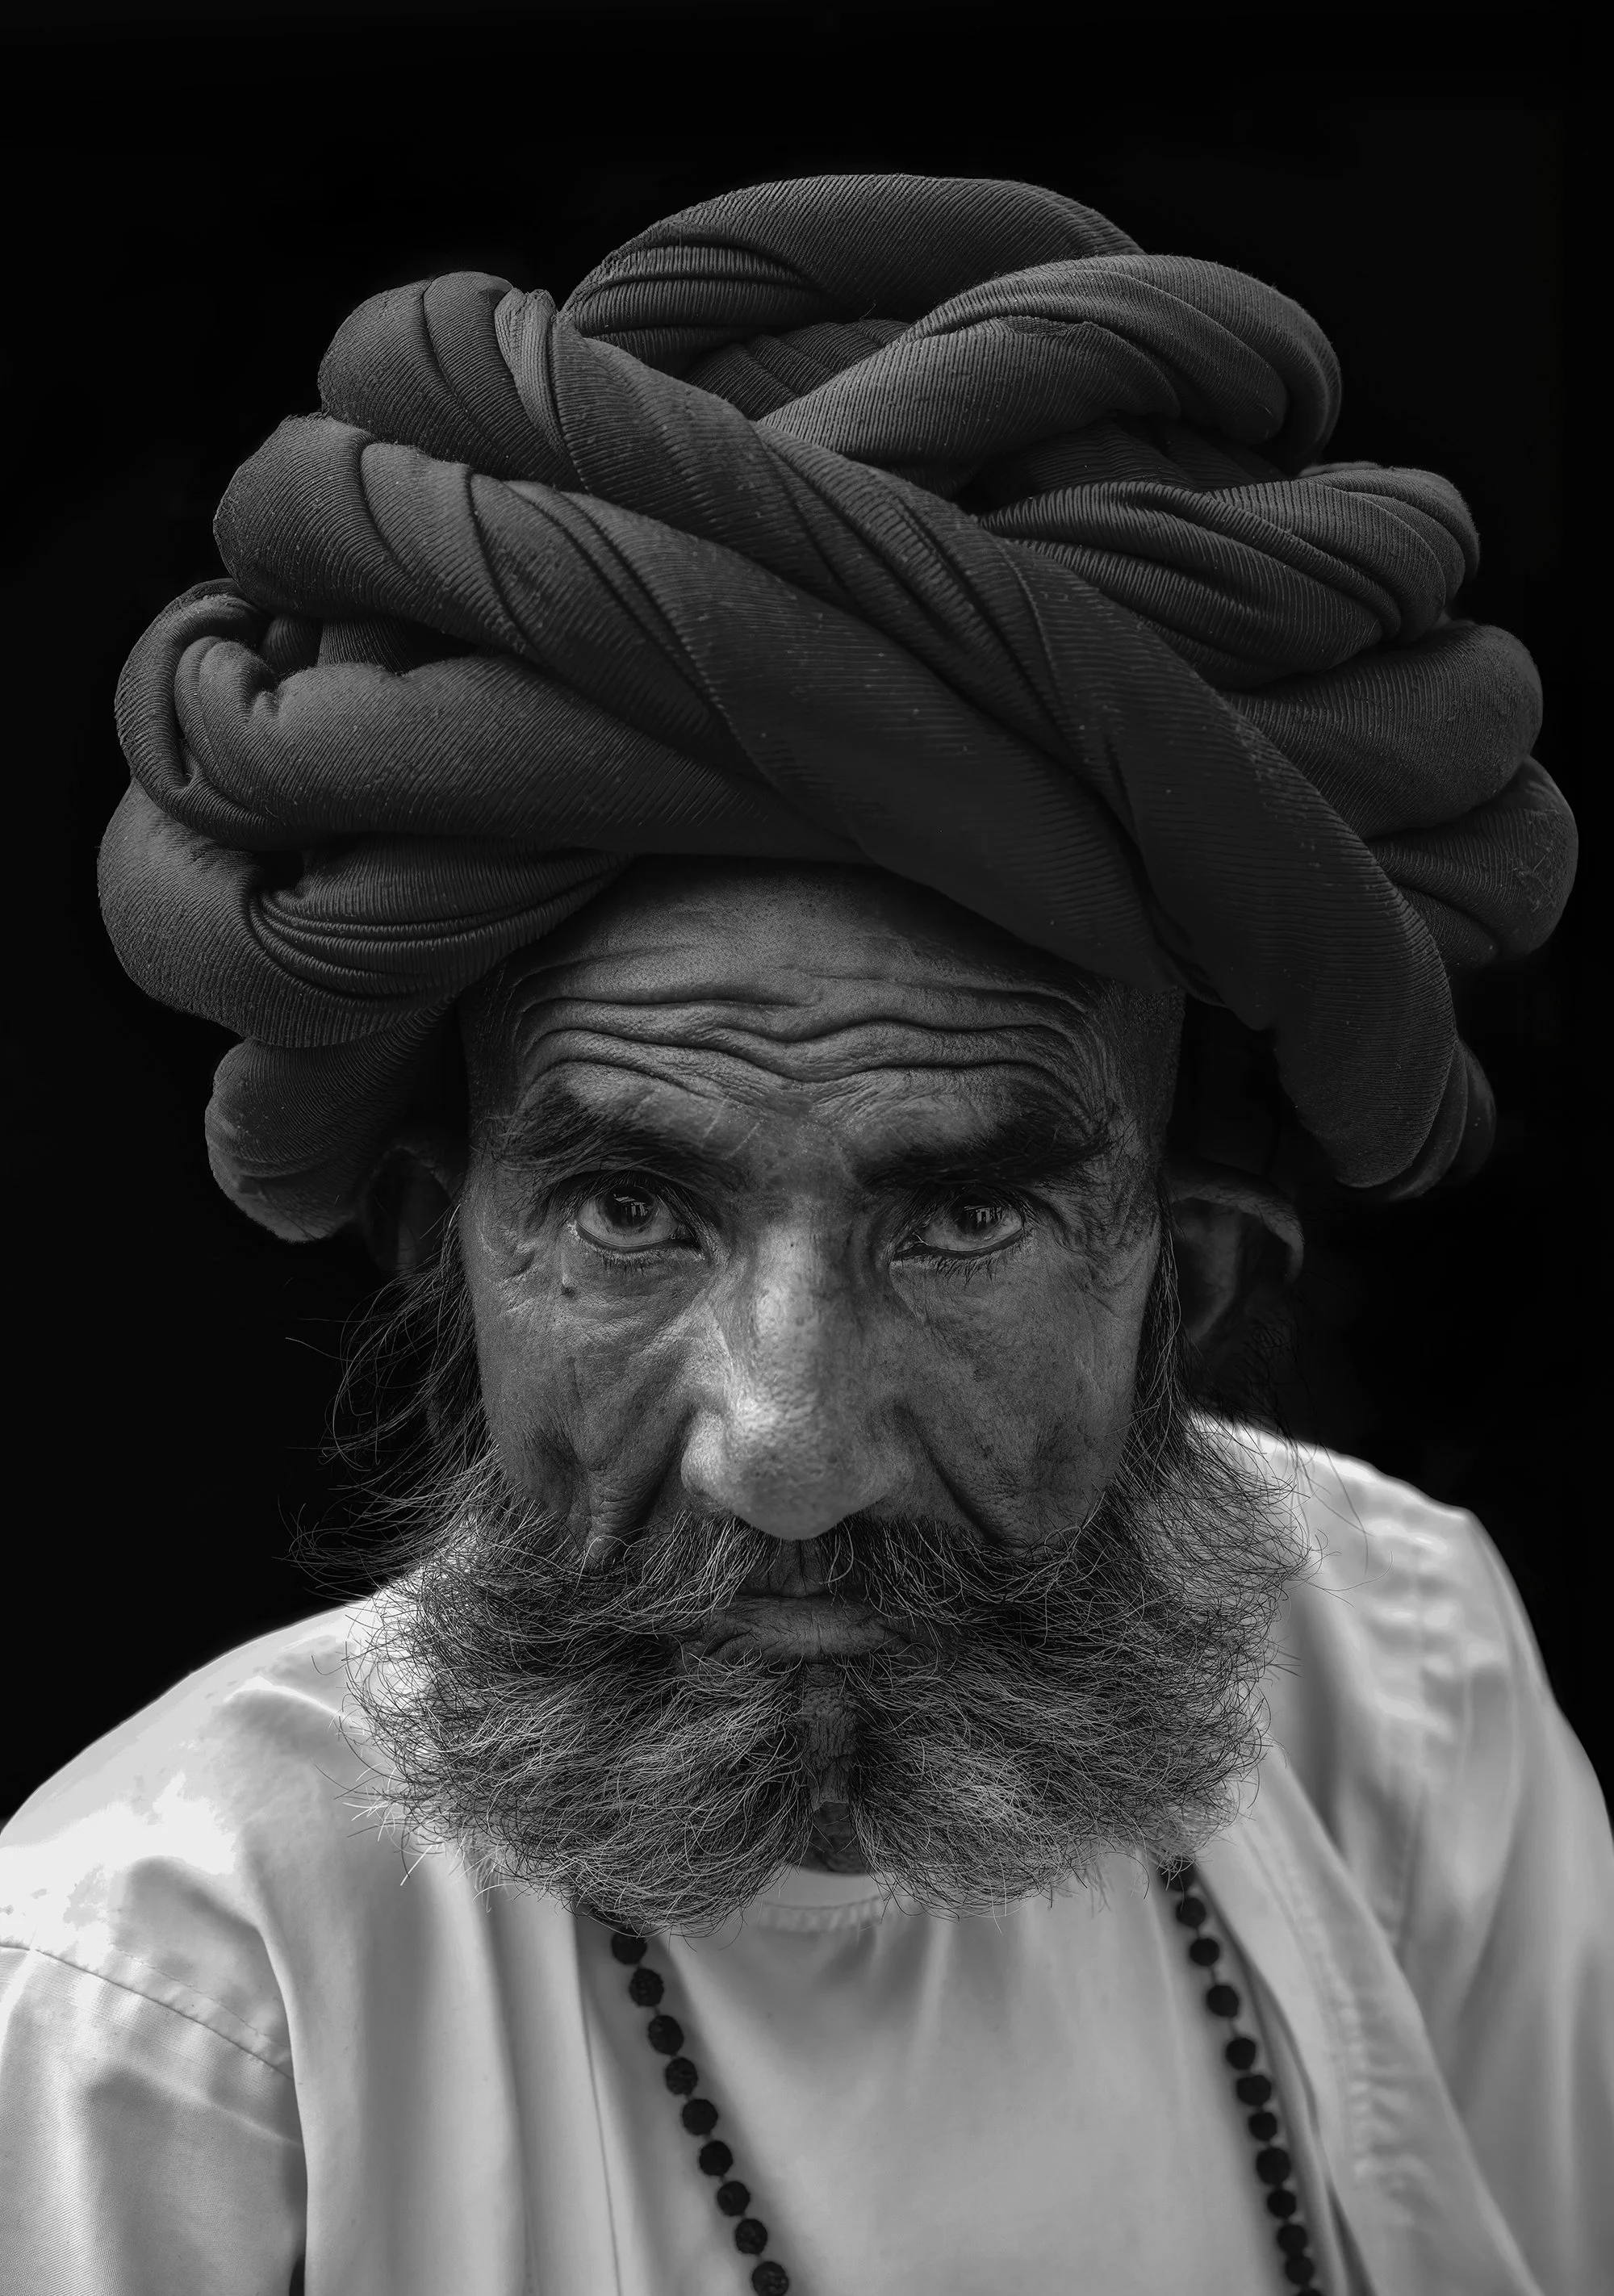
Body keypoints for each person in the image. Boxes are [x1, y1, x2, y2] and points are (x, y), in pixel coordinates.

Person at [0, 173, 1605, 2296]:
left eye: (964, 1212)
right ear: (439, 1255)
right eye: (635, 1207)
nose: (787, 1446)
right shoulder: (159, 1976)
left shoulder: (1407, 1684)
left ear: (1183, 1283)